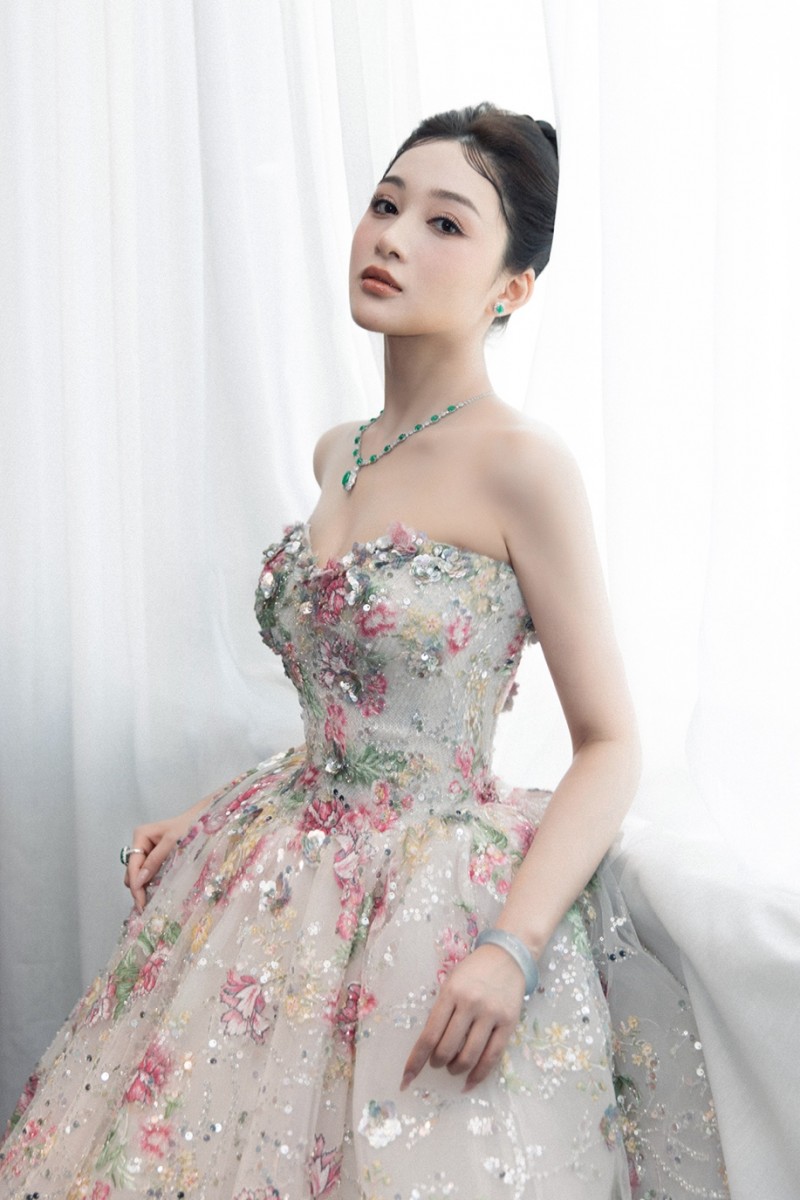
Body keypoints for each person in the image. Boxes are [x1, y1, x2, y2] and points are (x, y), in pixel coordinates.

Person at [0, 103, 728, 1200]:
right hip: (281, 876)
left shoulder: (522, 466)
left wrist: (512, 947)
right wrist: (215, 816)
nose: (390, 237)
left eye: (445, 223)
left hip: (432, 902)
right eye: (385, 205)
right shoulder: (338, 451)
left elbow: (611, 742)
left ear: (511, 290)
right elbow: (349, 715)